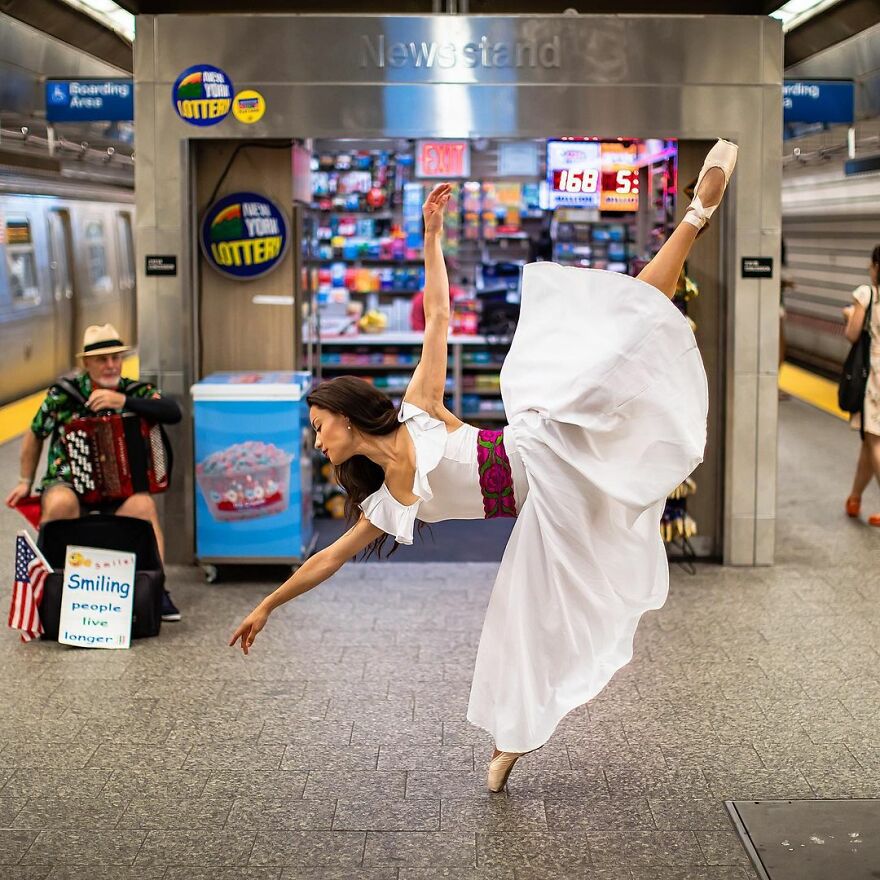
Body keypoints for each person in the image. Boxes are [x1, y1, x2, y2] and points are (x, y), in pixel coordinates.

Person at [230, 139, 737, 792]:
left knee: (618, 335)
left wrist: (431, 238)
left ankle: (695, 213)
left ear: (346, 419)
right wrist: (268, 605)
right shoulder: (384, 502)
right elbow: (326, 560)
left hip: (541, 440)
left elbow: (437, 314)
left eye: (318, 427)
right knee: (526, 632)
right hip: (539, 509)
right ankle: (510, 746)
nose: (316, 440)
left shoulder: (417, 408)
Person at [4, 323, 184, 621]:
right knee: (61, 504)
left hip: (118, 489)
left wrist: (124, 402)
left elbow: (172, 412)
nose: (111, 364)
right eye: (102, 359)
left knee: (143, 507)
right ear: (86, 363)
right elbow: (35, 433)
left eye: (116, 357)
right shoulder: (64, 395)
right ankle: (46, 590)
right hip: (68, 481)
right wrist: (25, 481)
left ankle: (156, 591)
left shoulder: (133, 390)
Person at [843, 245, 880, 526]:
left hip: (874, 378)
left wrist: (849, 316)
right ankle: (855, 497)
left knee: (875, 441)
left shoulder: (868, 294)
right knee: (869, 441)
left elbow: (852, 333)